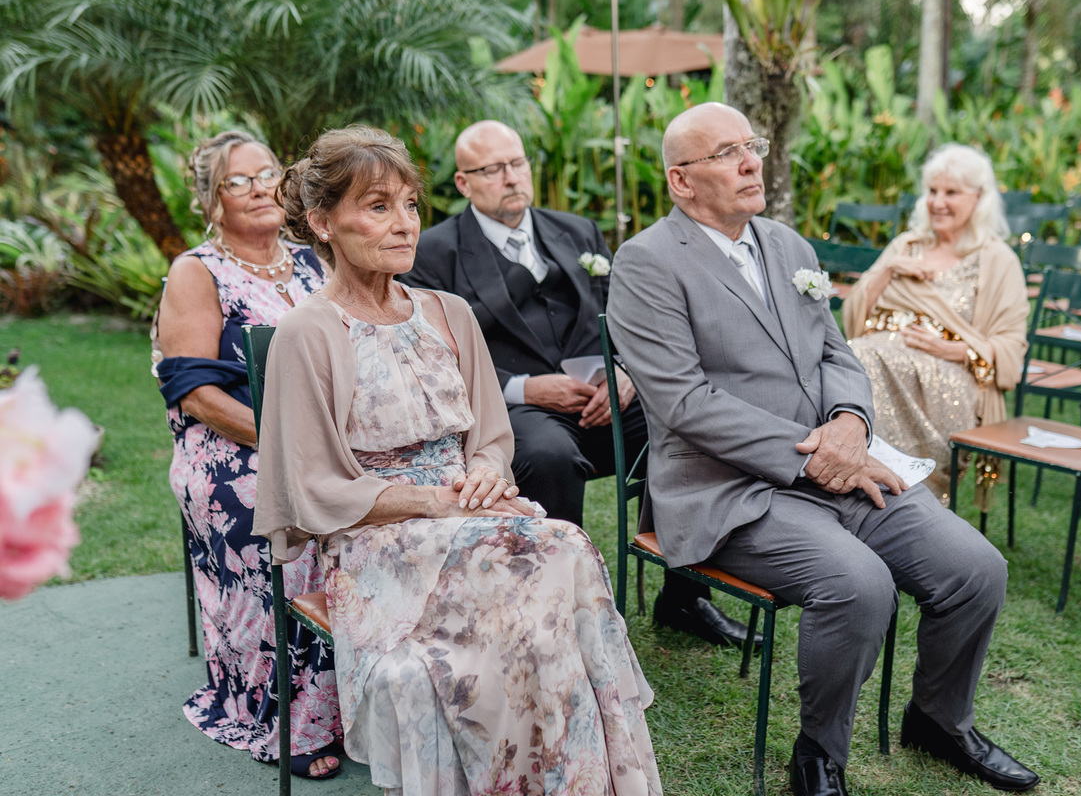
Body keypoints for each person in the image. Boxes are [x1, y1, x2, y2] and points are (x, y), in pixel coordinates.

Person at [607, 103, 1040, 796]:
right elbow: (683, 403)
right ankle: (818, 755)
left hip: (843, 467)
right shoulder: (646, 263)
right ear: (681, 182)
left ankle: (937, 718)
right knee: (858, 585)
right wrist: (814, 454)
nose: (751, 161)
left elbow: (839, 354)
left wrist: (849, 422)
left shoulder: (788, 246)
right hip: (728, 490)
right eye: (726, 153)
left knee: (976, 569)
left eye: (752, 143)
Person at [253, 125, 661, 795]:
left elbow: (493, 437)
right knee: (554, 549)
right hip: (377, 543)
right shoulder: (309, 332)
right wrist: (433, 499)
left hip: (475, 518)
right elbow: (311, 490)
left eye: (411, 204)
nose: (404, 223)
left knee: (557, 554)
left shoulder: (449, 312)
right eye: (378, 206)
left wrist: (488, 472)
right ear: (324, 222)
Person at [404, 119, 758, 649]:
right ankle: (560, 611)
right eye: (493, 169)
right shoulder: (434, 252)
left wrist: (626, 373)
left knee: (687, 429)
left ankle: (683, 598)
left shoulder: (577, 231)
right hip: (516, 406)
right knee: (547, 457)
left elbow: (630, 314)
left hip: (604, 396)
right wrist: (525, 387)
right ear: (463, 183)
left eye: (517, 163)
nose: (510, 176)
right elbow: (432, 352)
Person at [154, 131, 341, 779]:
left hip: (323, 440)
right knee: (288, 524)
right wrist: (288, 443)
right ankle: (288, 715)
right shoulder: (197, 272)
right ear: (212, 199)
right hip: (231, 450)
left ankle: (374, 697)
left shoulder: (317, 263)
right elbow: (195, 393)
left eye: (267, 174)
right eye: (240, 180)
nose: (261, 187)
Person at [843, 144, 1029, 504]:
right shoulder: (906, 245)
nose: (937, 202)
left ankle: (896, 494)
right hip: (876, 355)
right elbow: (853, 318)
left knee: (858, 360)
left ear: (979, 199)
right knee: (852, 358)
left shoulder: (996, 259)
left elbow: (1011, 346)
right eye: (932, 191)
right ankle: (854, 487)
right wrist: (889, 270)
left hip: (949, 376)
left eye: (951, 193)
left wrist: (956, 349)